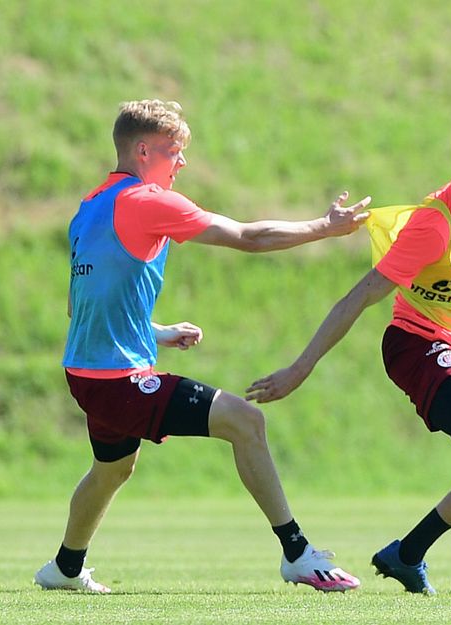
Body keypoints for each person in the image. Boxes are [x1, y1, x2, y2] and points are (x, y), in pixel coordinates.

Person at [34, 99, 370, 594]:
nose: (182, 163)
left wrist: (157, 332)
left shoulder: (90, 208)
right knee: (246, 420)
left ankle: (64, 568)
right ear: (143, 150)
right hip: (117, 381)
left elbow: (79, 306)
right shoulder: (146, 201)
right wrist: (323, 227)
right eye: (174, 152)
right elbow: (248, 237)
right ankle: (298, 554)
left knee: (112, 470)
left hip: (87, 374)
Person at [246, 102, 451, 597]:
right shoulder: (432, 225)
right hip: (414, 344)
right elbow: (357, 298)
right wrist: (300, 368)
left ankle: (407, 553)